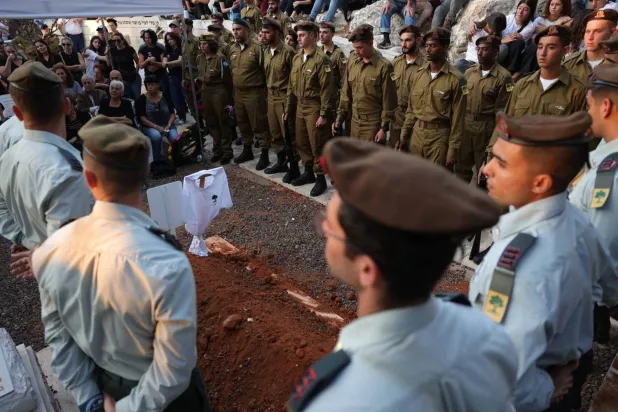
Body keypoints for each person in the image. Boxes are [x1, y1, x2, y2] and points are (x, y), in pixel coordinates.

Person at [289, 137, 518, 411]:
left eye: (330, 228)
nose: (324, 229)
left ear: (367, 270)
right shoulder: (488, 333)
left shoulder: (340, 402)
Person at [32, 115, 211, 412]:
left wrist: (90, 400)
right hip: (169, 401)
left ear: (89, 179)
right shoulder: (167, 262)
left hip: (106, 389)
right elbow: (174, 368)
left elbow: (59, 340)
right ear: (145, 175)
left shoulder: (51, 251)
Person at [471, 111, 612, 411]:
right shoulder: (575, 219)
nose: (486, 169)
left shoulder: (523, 271)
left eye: (501, 163)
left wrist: (548, 388)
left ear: (540, 183)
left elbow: (501, 385)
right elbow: (600, 285)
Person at [0, 61, 93, 279]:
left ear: (17, 113)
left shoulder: (7, 159)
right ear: (67, 106)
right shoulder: (64, 170)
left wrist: (27, 241)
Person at [570, 64, 618, 344]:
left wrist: (611, 299)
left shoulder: (610, 174)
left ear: (606, 106)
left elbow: (603, 245)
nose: (587, 114)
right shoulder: (605, 148)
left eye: (589, 106)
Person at [488, 25, 587, 152]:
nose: (543, 53)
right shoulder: (523, 84)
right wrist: (492, 152)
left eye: (551, 47)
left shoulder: (577, 90)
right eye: (540, 47)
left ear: (565, 50)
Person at [399, 28, 466, 169]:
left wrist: (452, 150)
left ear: (445, 48)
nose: (428, 50)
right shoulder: (419, 74)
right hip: (417, 134)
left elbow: (458, 119)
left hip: (439, 138)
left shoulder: (456, 79)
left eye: (433, 46)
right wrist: (404, 135)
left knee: (435, 183)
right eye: (427, 46)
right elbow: (411, 110)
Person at [284, 21, 333, 196]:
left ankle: (320, 179)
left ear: (312, 36)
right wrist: (288, 108)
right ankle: (308, 172)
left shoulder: (322, 60)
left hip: (314, 107)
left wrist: (324, 114)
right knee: (302, 141)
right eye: (297, 35)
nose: (298, 38)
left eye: (302, 35)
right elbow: (291, 86)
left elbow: (327, 90)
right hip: (300, 106)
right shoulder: (297, 58)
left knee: (317, 144)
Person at [455, 35, 512, 183]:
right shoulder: (469, 72)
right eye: (478, 49)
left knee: (484, 175)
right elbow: (462, 101)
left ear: (495, 52)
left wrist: (495, 140)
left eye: (485, 50)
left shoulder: (504, 77)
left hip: (486, 129)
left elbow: (503, 113)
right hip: (467, 126)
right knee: (461, 170)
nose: (479, 53)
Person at [334, 24, 397, 144]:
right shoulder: (353, 59)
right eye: (355, 48)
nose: (356, 52)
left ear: (371, 43)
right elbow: (346, 92)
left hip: (372, 124)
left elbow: (388, 101)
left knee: (370, 161)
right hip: (354, 121)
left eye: (360, 48)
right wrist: (339, 118)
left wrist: (383, 128)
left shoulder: (384, 66)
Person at [229, 18, 272, 167]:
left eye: (238, 29)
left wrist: (265, 92)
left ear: (247, 30)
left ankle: (265, 153)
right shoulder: (232, 48)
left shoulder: (257, 48)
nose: (235, 32)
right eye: (234, 29)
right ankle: (247, 149)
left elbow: (265, 71)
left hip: (255, 92)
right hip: (239, 93)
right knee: (242, 122)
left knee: (259, 123)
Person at [261, 18, 297, 176]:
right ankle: (281, 161)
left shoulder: (288, 52)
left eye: (268, 32)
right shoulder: (266, 51)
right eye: (263, 32)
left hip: (284, 97)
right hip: (271, 97)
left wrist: (290, 103)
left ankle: (293, 166)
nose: (264, 35)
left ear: (276, 33)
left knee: (288, 134)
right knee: (275, 133)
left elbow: (294, 79)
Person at [198, 33, 234, 164]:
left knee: (223, 120)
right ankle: (217, 150)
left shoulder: (220, 58)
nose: (202, 46)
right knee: (211, 121)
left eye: (205, 44)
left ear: (211, 45)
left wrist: (229, 97)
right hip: (206, 91)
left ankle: (227, 151)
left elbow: (227, 79)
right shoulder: (199, 58)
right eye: (201, 44)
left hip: (219, 91)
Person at [389, 25, 426, 148]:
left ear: (418, 40)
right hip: (397, 119)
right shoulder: (396, 63)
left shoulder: (426, 66)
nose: (403, 44)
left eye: (408, 40)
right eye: (402, 40)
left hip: (417, 122)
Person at [564, 10, 618, 85]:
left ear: (613, 33)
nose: (590, 37)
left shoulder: (615, 64)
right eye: (587, 31)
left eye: (597, 31)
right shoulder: (568, 63)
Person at [136, 76, 178, 163]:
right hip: (150, 126)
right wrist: (157, 127)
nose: (150, 87)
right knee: (156, 136)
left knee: (174, 137)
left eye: (152, 84)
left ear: (158, 85)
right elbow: (142, 119)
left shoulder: (165, 95)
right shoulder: (141, 99)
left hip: (167, 124)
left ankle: (175, 158)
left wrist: (168, 126)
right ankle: (157, 159)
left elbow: (172, 114)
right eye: (148, 84)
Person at [319, 21, 347, 135]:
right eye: (320, 32)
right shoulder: (318, 51)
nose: (321, 35)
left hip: (334, 98)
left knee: (334, 131)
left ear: (332, 34)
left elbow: (344, 78)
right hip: (320, 97)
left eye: (325, 32)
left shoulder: (338, 54)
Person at [500, 0, 537, 73]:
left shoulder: (530, 26)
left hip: (514, 52)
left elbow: (514, 39)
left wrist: (504, 40)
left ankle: (509, 71)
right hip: (501, 46)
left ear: (530, 13)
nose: (521, 12)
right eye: (520, 8)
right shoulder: (508, 18)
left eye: (525, 10)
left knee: (518, 41)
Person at [108, 32, 141, 101]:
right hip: (122, 79)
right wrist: (106, 53)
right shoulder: (112, 51)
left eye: (118, 40)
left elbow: (137, 61)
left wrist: (136, 71)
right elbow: (109, 64)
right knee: (126, 98)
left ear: (123, 40)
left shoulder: (129, 49)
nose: (116, 42)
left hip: (133, 77)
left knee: (137, 97)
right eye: (114, 41)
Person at [163, 32, 187, 124]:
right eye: (168, 40)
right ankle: (182, 117)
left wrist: (168, 64)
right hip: (172, 76)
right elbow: (163, 63)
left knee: (186, 97)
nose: (170, 41)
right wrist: (169, 64)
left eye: (171, 39)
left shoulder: (181, 48)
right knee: (176, 98)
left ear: (176, 38)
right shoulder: (167, 50)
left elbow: (180, 62)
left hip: (182, 75)